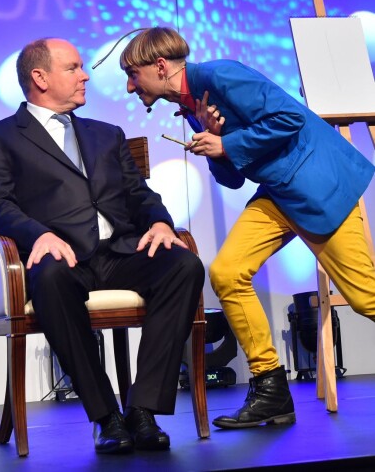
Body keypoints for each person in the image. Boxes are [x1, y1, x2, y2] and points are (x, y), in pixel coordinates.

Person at [116, 26, 375, 429]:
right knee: (227, 272)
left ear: (160, 65)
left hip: (318, 186)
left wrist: (227, 145)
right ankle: (271, 390)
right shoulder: (193, 105)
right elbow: (233, 179)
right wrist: (218, 144)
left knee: (365, 297)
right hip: (279, 192)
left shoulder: (219, 75)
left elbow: (289, 116)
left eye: (133, 75)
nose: (131, 87)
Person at [0, 37, 204, 453]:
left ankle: (143, 408)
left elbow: (139, 194)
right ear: (39, 77)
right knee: (53, 278)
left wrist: (162, 223)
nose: (85, 76)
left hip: (119, 252)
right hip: (62, 257)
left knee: (183, 266)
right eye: (74, 68)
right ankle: (105, 414)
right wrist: (37, 234)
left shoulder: (106, 135)